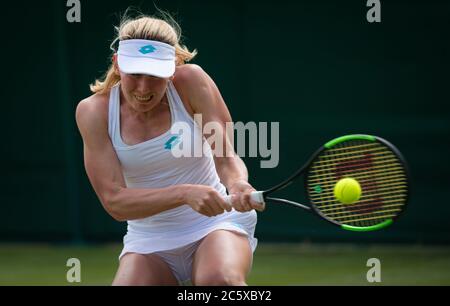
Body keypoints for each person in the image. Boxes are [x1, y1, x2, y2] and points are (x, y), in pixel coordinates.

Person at [75, 13, 264, 286]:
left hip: (215, 225)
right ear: (117, 64)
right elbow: (115, 202)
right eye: (135, 73)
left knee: (218, 281)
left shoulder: (192, 82)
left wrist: (237, 184)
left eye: (154, 75)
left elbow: (226, 158)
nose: (143, 87)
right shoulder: (93, 112)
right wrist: (185, 194)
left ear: (173, 67)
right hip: (149, 239)